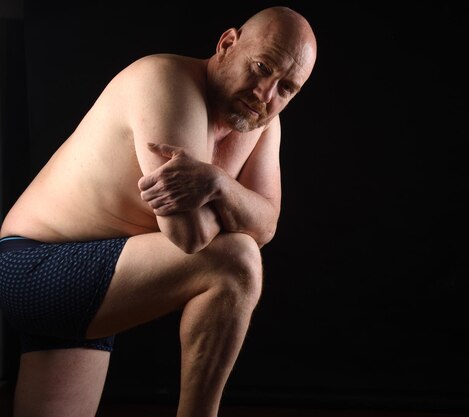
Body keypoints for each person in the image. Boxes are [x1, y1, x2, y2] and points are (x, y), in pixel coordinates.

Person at [0, 5, 317, 417]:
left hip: (102, 277)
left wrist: (217, 183)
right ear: (226, 45)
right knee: (236, 258)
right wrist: (241, 205)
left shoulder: (263, 124)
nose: (265, 94)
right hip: (36, 267)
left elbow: (267, 224)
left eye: (286, 88)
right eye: (260, 67)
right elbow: (190, 235)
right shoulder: (166, 81)